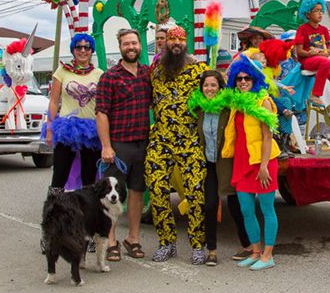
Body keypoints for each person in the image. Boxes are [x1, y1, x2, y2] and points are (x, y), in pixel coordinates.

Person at [146, 25, 209, 264]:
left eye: (180, 41)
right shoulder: (156, 72)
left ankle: (197, 245)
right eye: (172, 40)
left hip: (189, 140)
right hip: (160, 140)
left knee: (195, 192)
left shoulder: (199, 70)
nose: (176, 44)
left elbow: (215, 95)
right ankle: (167, 243)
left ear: (185, 44)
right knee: (157, 189)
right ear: (165, 44)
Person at [95, 28, 152, 262]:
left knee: (138, 192)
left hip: (142, 143)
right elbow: (101, 113)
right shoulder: (110, 76)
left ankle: (133, 238)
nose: (131, 47)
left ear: (140, 46)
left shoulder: (148, 74)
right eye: (126, 43)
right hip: (118, 145)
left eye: (134, 43)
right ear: (120, 47)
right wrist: (106, 146)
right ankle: (111, 240)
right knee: (113, 195)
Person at [188, 70, 252, 266]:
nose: (209, 89)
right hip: (207, 163)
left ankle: (248, 245)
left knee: (236, 205)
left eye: (213, 85)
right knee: (209, 205)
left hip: (227, 163)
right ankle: (212, 251)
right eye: (206, 85)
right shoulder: (198, 109)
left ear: (220, 87)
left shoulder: (229, 108)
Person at [221, 58, 281, 271]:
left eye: (246, 77)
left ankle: (268, 255)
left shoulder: (262, 101)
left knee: (266, 209)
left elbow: (267, 136)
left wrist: (264, 166)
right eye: (239, 78)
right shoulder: (238, 101)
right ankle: (255, 251)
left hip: (261, 162)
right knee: (246, 210)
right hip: (242, 162)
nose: (242, 81)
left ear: (254, 78)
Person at [44, 33, 104, 192]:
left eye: (87, 47)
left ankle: (87, 212)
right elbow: (54, 102)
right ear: (73, 50)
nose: (83, 50)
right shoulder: (62, 71)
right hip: (67, 130)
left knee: (90, 177)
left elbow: (103, 104)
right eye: (79, 47)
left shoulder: (99, 73)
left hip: (92, 131)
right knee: (59, 175)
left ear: (92, 50)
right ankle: (53, 211)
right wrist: (49, 128)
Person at [294, 0, 330, 107]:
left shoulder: (324, 30)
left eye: (321, 10)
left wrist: (323, 52)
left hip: (323, 62)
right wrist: (310, 53)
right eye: (316, 11)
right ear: (308, 14)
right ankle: (315, 94)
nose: (320, 13)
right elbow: (299, 52)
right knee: (326, 62)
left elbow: (329, 51)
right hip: (308, 62)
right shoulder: (302, 29)